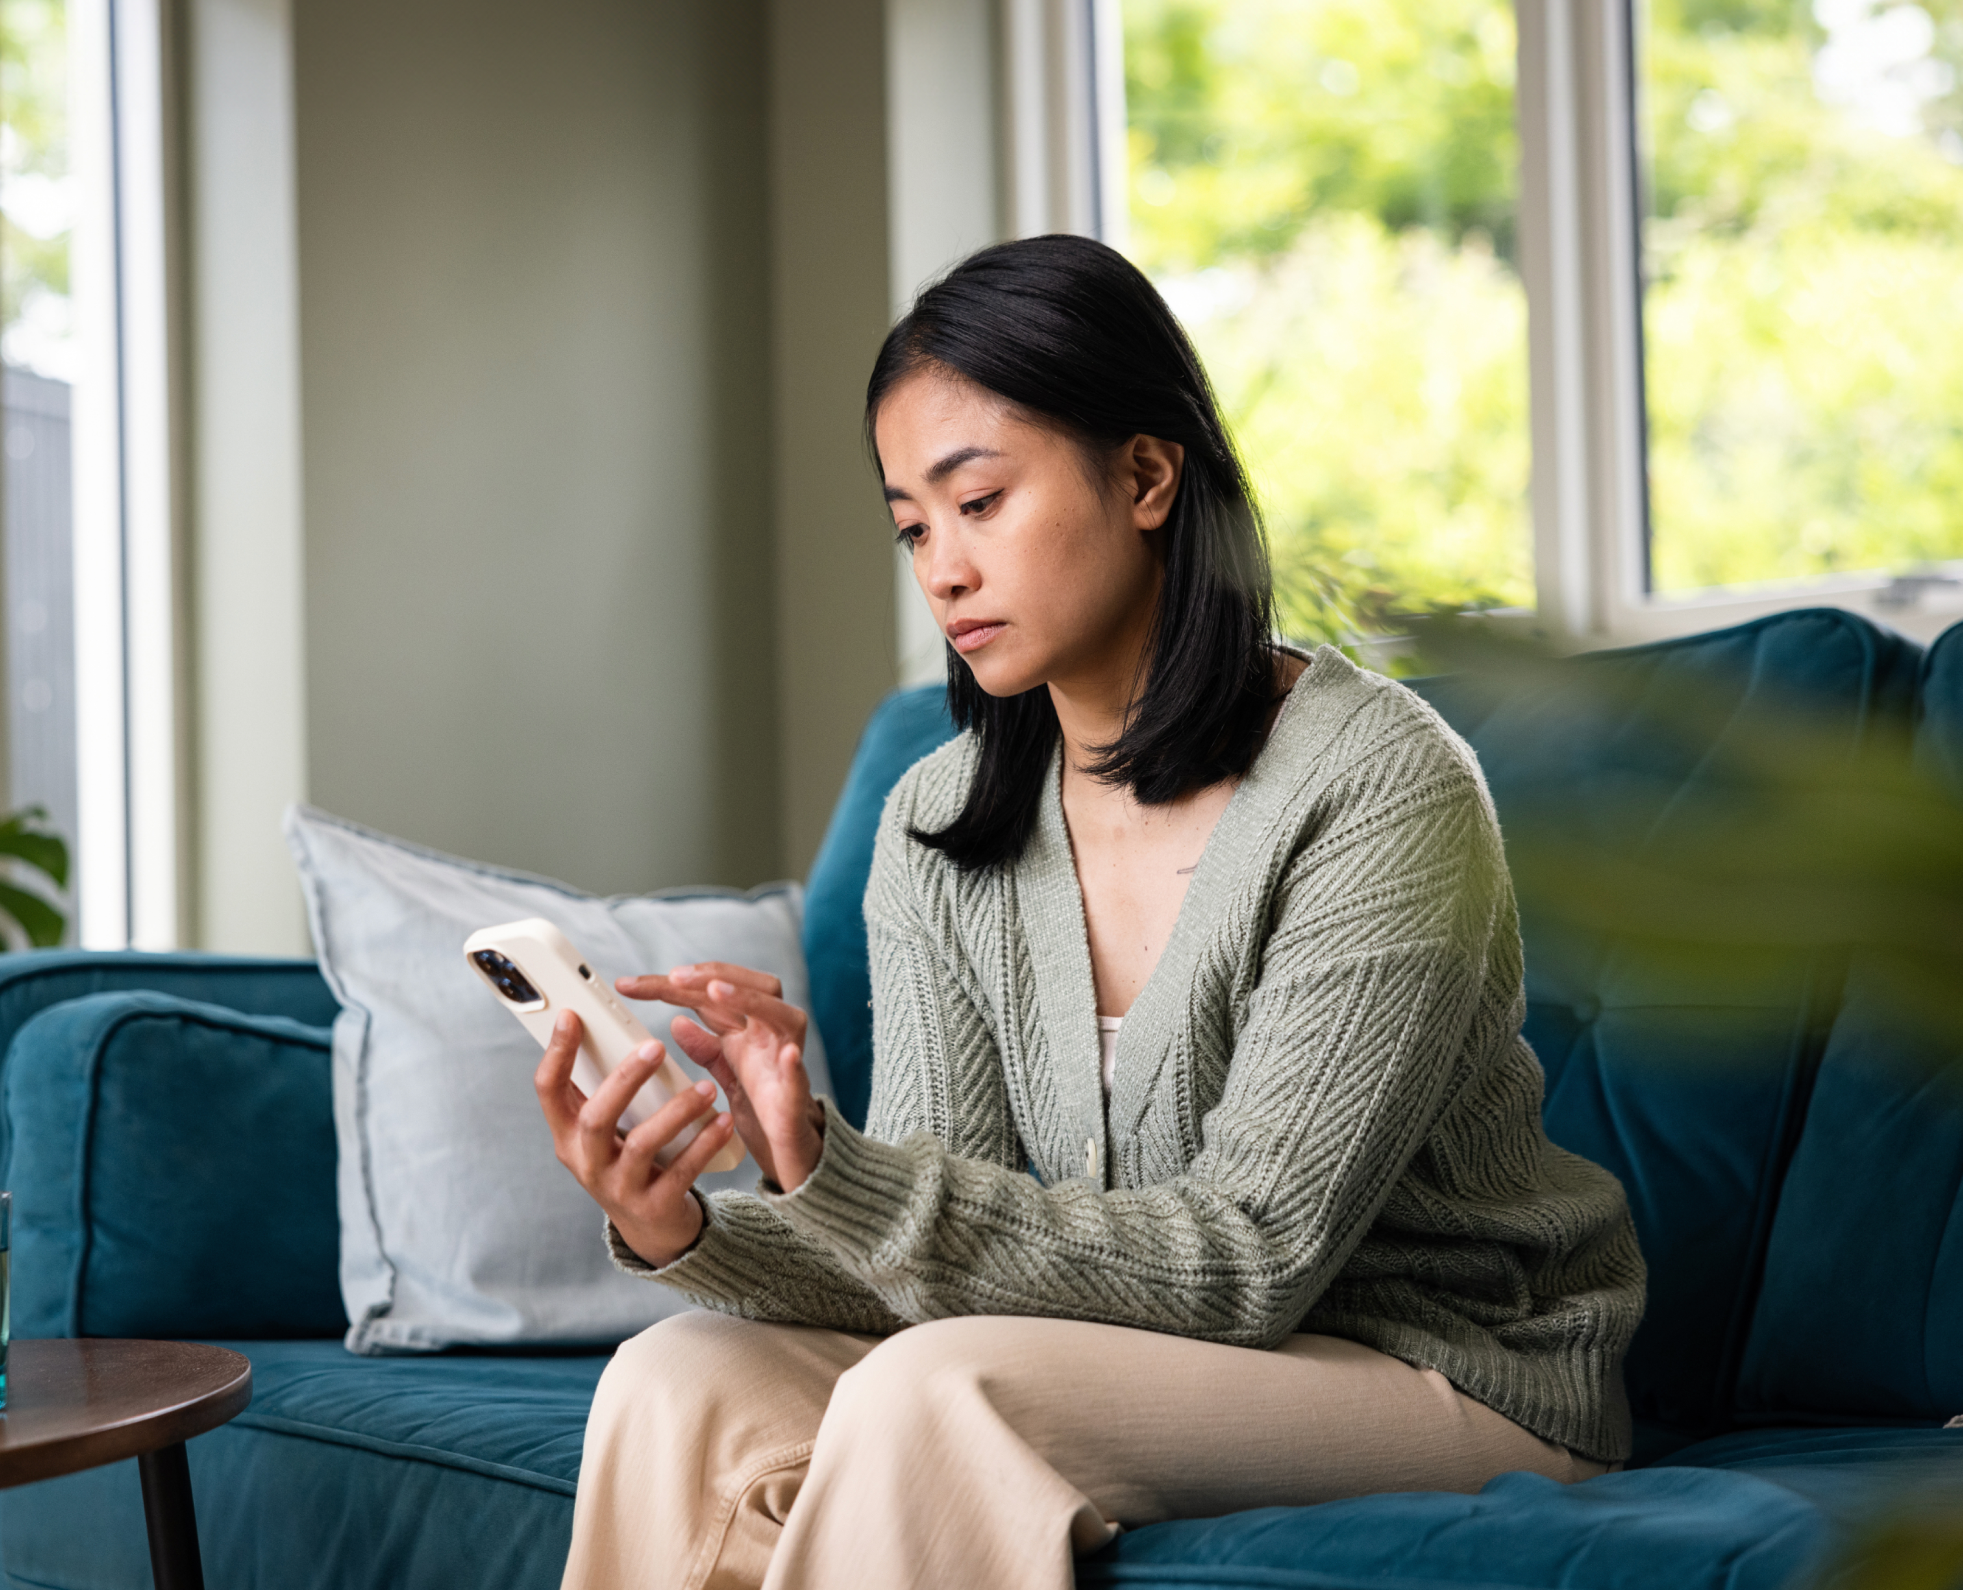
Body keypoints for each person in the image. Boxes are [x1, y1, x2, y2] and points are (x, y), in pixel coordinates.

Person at [535, 234, 1646, 1590]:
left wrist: (838, 1165)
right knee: (677, 1376)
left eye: (980, 501)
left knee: (942, 1392)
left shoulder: (1379, 785)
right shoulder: (941, 821)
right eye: (910, 525)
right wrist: (690, 1228)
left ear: (1145, 474)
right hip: (1142, 1348)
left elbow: (1255, 1261)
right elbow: (939, 1241)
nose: (940, 567)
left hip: (1441, 1367)